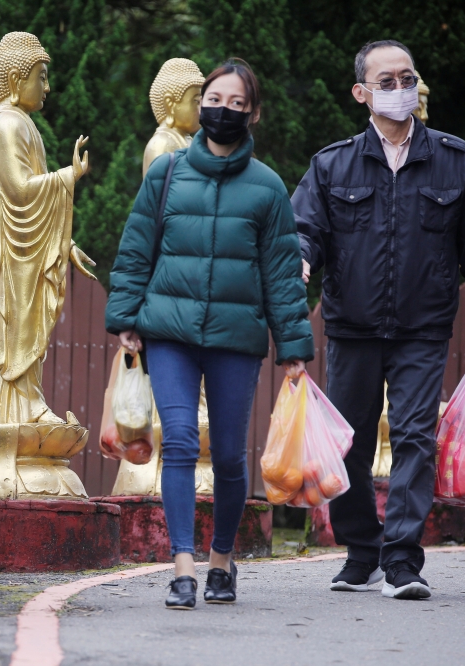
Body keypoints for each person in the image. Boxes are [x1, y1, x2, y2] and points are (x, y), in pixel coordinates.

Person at [293, 40, 465, 600]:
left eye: (407, 78)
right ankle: (362, 551)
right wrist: (298, 261)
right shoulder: (331, 163)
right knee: (351, 445)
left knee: (416, 437)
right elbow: (305, 230)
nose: (399, 90)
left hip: (423, 327)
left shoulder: (455, 159)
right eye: (385, 82)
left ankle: (403, 563)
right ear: (361, 93)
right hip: (352, 327)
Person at [106, 58, 314, 609]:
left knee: (226, 455)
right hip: (169, 332)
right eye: (214, 101)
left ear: (254, 114)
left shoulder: (268, 189)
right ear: (200, 107)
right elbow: (135, 249)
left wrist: (293, 348)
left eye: (236, 104)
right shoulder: (167, 172)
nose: (223, 111)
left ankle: (222, 558)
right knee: (176, 442)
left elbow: (281, 274)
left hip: (234, 338)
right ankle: (181, 567)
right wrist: (126, 317)